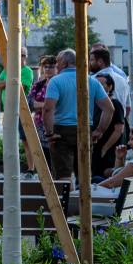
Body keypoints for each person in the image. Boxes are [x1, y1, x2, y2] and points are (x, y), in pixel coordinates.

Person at [42, 48, 115, 195]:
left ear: (64, 62)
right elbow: (109, 109)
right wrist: (99, 131)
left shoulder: (55, 81)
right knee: (84, 174)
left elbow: (48, 109)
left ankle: (64, 210)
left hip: (61, 131)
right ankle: (83, 209)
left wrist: (49, 133)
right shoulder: (91, 81)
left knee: (63, 175)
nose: (56, 64)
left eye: (57, 61)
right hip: (84, 129)